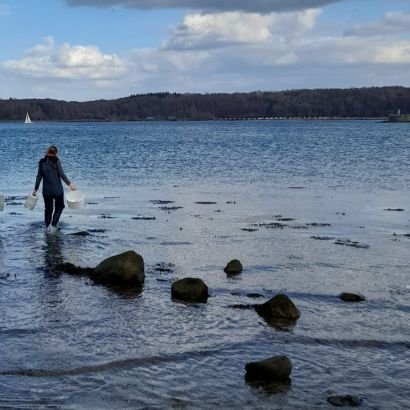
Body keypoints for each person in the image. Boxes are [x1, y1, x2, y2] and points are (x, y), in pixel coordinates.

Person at [33, 145, 76, 232]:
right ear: (56, 153)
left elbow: (39, 177)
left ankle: (47, 227)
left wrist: (35, 189)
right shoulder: (56, 161)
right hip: (57, 190)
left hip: (46, 191)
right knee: (60, 206)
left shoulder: (41, 162)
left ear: (47, 152)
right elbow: (62, 174)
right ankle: (54, 225)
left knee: (48, 208)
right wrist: (70, 185)